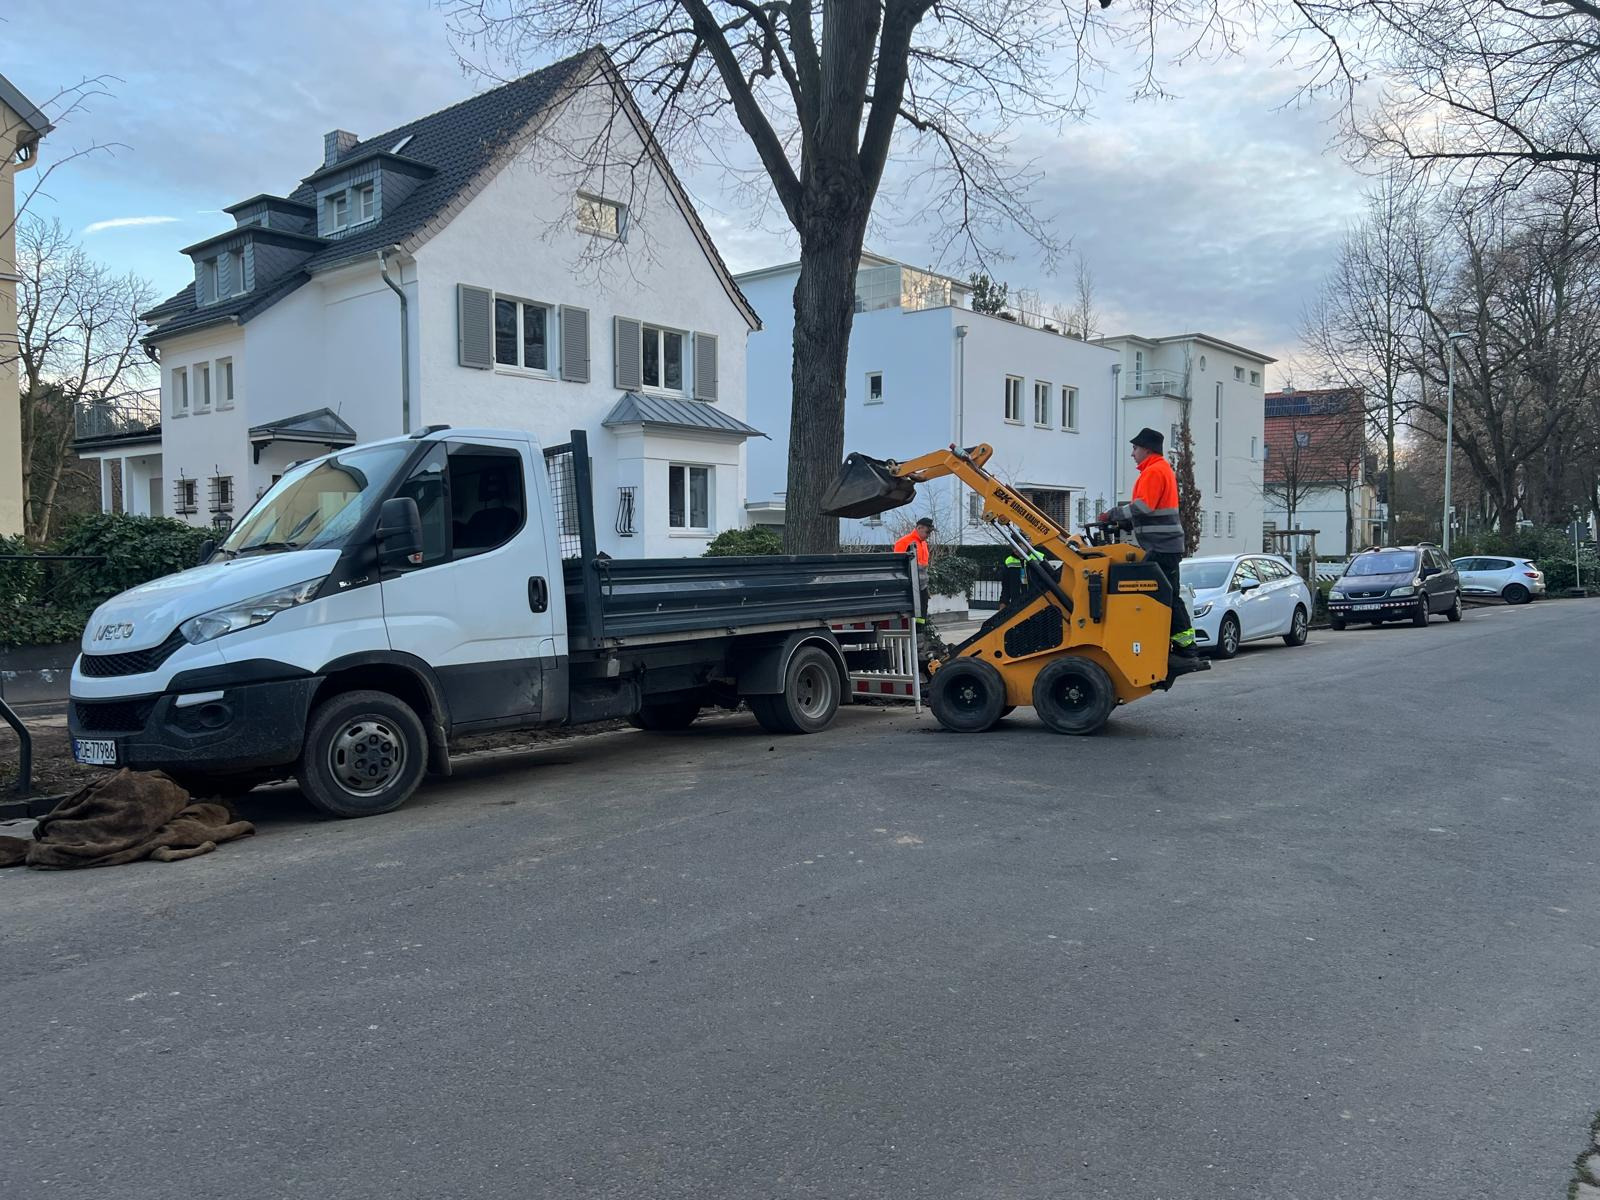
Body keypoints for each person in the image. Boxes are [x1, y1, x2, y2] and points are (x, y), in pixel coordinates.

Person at [1099, 427, 1200, 666]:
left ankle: (1184, 647)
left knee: (1159, 595)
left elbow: (1144, 506)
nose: (1132, 454)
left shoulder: (1154, 471)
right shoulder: (1157, 469)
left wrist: (1113, 514)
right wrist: (1126, 518)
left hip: (1161, 547)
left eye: (1135, 448)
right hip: (1164, 545)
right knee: (1165, 594)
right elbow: (1147, 509)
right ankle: (1180, 645)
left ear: (1147, 449)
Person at [894, 517, 949, 662]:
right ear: (919, 527)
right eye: (927, 531)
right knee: (914, 617)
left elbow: (923, 569)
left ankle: (918, 645)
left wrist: (925, 588)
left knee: (921, 617)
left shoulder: (922, 543)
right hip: (910, 588)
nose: (929, 534)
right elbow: (898, 567)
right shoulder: (905, 542)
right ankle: (912, 647)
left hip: (921, 588)